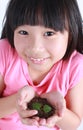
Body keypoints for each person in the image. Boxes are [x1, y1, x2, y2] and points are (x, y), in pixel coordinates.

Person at [0, 0, 83, 130]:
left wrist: (56, 109)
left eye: (49, 33)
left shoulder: (75, 65)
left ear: (71, 34)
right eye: (23, 32)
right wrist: (18, 100)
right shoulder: (4, 52)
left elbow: (73, 124)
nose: (35, 48)